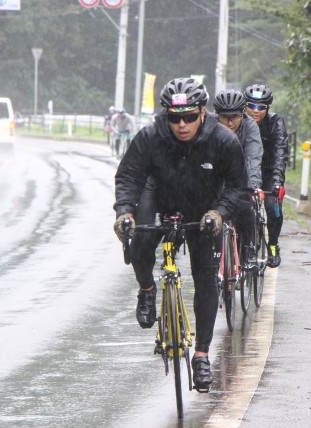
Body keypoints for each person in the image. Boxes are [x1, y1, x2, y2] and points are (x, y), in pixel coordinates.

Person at [113, 77, 248, 391]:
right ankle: (147, 289)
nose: (182, 125)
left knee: (205, 277)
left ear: (203, 112)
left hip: (205, 208)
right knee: (141, 240)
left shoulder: (224, 140)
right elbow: (129, 176)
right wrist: (123, 212)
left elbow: (238, 187)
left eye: (189, 117)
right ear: (166, 116)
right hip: (158, 195)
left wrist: (219, 213)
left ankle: (201, 354)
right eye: (175, 118)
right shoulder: (150, 136)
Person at [213, 89, 263, 265]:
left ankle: (247, 248)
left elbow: (254, 158)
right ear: (215, 114)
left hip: (241, 177)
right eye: (224, 117)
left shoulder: (250, 126)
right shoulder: (208, 125)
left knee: (246, 208)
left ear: (243, 114)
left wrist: (254, 186)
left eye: (234, 117)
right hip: (217, 177)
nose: (228, 122)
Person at [244, 84, 289, 268]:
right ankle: (246, 245)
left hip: (269, 172)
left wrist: (277, 182)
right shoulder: (239, 122)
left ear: (267, 109)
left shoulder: (276, 123)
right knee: (243, 207)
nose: (255, 111)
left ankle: (272, 244)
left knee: (273, 206)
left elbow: (280, 153)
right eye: (251, 106)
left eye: (261, 107)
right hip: (246, 171)